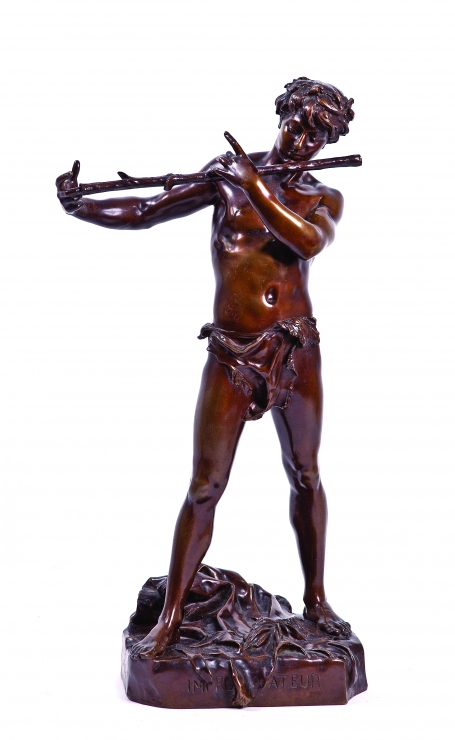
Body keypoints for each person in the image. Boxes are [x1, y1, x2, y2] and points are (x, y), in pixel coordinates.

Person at [56, 77, 355, 659]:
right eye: (297, 126)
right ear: (282, 116)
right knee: (205, 486)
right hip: (231, 350)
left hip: (295, 350)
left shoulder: (323, 195)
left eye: (316, 137)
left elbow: (308, 243)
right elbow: (148, 209)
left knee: (306, 474)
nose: (302, 142)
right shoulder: (228, 175)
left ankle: (316, 598)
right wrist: (82, 206)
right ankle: (170, 617)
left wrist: (255, 186)